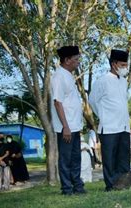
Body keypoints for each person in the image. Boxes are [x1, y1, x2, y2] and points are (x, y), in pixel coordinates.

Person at [89, 49, 131, 191]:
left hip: (124, 127)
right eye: (123, 65)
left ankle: (124, 183)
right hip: (109, 127)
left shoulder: (124, 81)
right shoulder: (103, 81)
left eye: (126, 64)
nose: (125, 68)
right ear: (114, 64)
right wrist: (104, 115)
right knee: (110, 159)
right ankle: (111, 185)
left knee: (124, 157)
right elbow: (93, 101)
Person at [50, 45, 85, 195]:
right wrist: (65, 127)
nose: (78, 62)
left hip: (75, 125)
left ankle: (77, 186)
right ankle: (67, 189)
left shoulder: (68, 75)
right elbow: (57, 102)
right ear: (67, 60)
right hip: (66, 127)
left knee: (76, 158)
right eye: (76, 59)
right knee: (66, 160)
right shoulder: (58, 76)